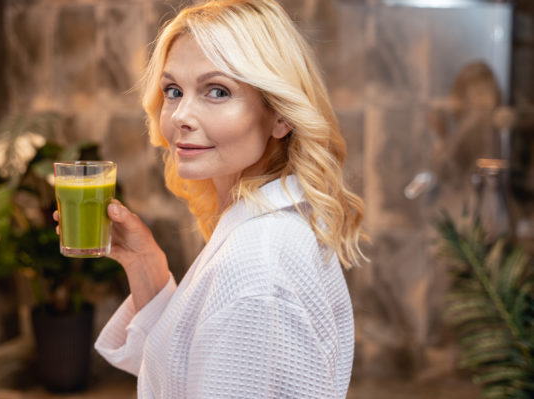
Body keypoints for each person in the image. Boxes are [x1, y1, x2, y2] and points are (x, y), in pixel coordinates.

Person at [56, 0, 366, 397]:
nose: (181, 115)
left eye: (217, 91)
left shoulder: (257, 265)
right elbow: (186, 367)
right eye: (173, 90)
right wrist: (145, 265)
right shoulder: (263, 228)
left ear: (280, 116)